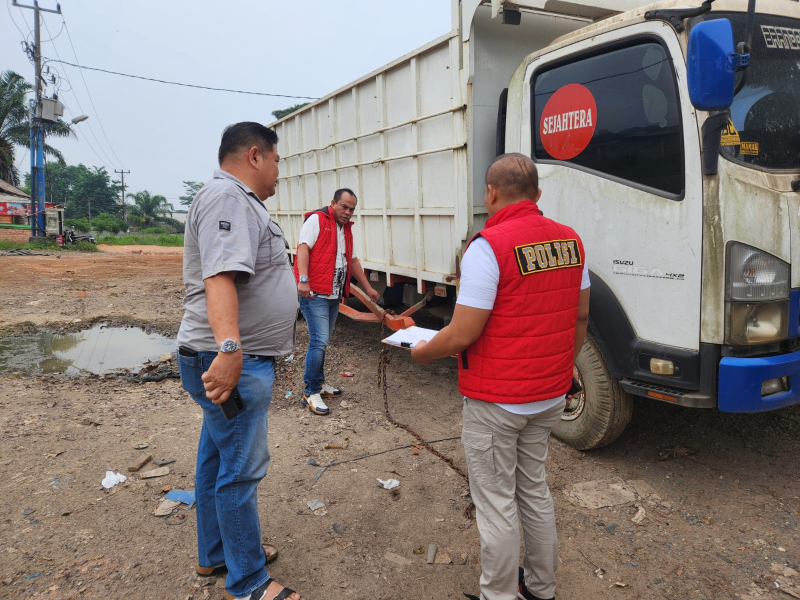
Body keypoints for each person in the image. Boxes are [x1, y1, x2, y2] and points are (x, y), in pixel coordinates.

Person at [411, 153, 590, 600]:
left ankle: (499, 596)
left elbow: (462, 333)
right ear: (538, 194)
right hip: (548, 396)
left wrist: (422, 352)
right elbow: (581, 316)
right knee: (533, 490)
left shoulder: (489, 246)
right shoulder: (571, 242)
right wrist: (563, 369)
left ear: (490, 194)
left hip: (498, 401)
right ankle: (542, 590)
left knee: (496, 504)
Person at [176, 122, 303, 600]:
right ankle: (247, 580)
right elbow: (220, 278)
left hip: (225, 355)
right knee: (240, 468)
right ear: (254, 155)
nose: (277, 172)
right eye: (276, 161)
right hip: (229, 359)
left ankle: (215, 554)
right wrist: (230, 350)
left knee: (215, 457)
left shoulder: (238, 202)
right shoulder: (229, 198)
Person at [293, 188, 380, 415]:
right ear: (333, 203)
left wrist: (368, 288)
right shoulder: (317, 220)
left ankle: (319, 385)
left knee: (323, 341)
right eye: (344, 206)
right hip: (315, 295)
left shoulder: (346, 229)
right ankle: (310, 391)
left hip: (333, 295)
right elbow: (303, 248)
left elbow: (351, 261)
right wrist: (303, 280)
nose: (348, 212)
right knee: (318, 342)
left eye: (352, 209)